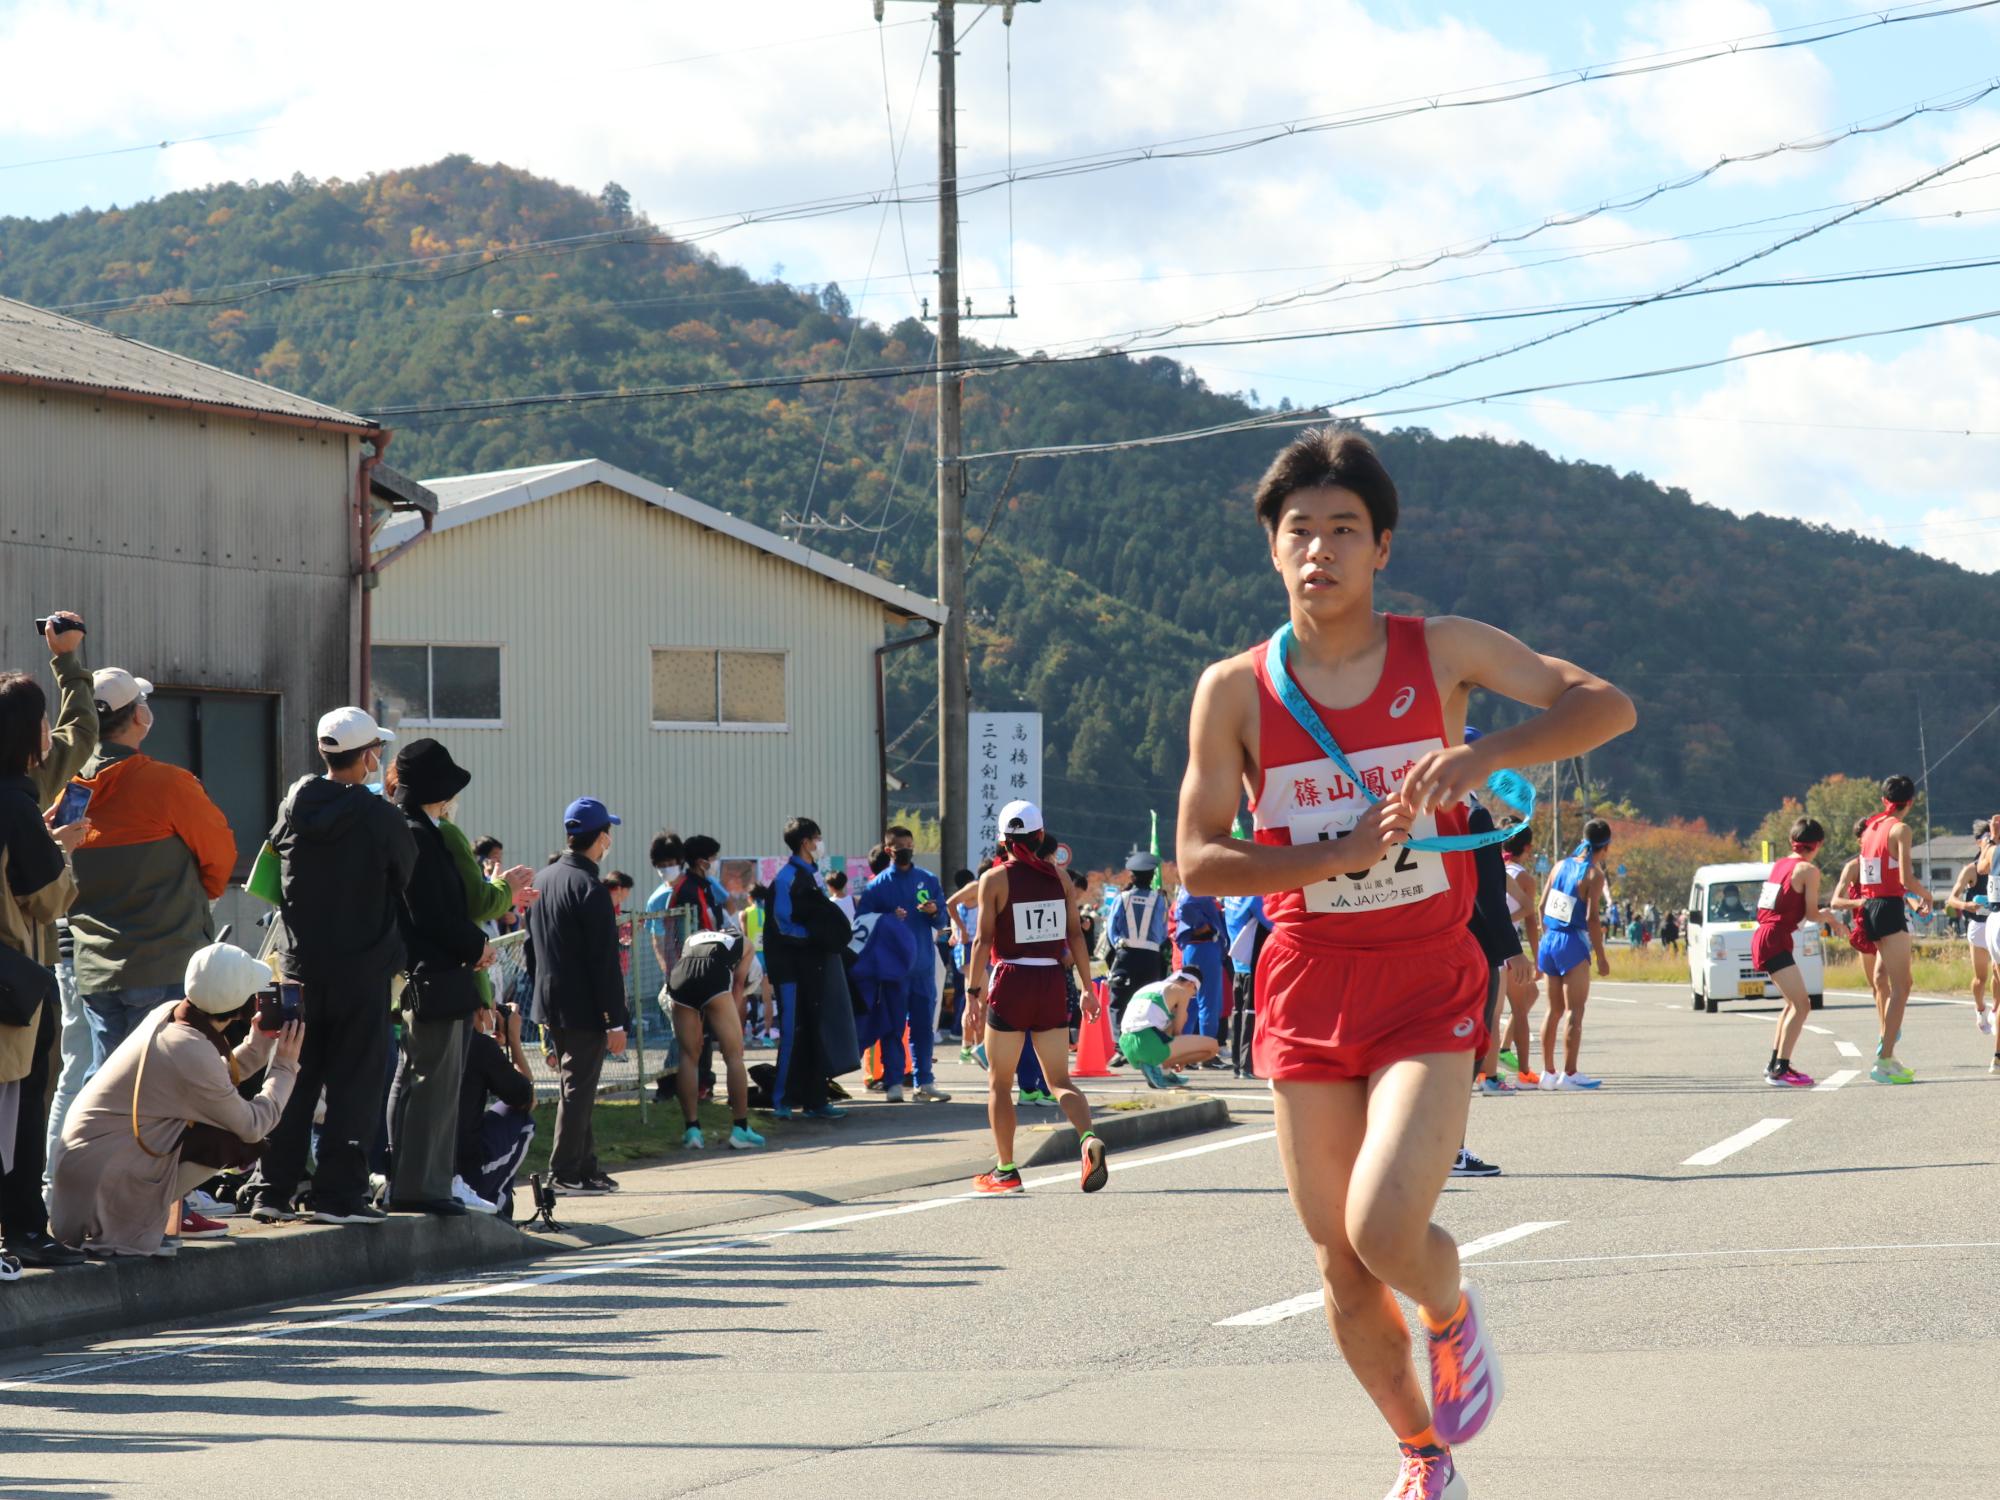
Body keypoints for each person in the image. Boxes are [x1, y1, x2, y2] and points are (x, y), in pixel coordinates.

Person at [1175, 428, 1634, 1498]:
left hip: (1428, 975)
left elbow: (1601, 703)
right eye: (1299, 532)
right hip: (1304, 983)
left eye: (1344, 530)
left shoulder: (1440, 652)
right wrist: (1336, 852)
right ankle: (1423, 1456)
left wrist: (1481, 754)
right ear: (1271, 550)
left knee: (1383, 1226)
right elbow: (1197, 861)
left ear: (1381, 548)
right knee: (1337, 1263)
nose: (1319, 551)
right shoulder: (1232, 693)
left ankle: (1447, 1308)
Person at [244, 707, 414, 1227]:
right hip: (361, 970)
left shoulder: (292, 806)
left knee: (292, 1074)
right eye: (376, 751)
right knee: (355, 1082)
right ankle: (339, 1196)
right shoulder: (381, 816)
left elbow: (271, 869)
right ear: (366, 757)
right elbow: (405, 873)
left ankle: (272, 1187)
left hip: (298, 966)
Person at [49, 943, 303, 1258]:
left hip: (83, 1176)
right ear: (241, 1005)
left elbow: (210, 1082)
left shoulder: (170, 1015)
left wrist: (257, 1047)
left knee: (219, 1120)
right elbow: (252, 1125)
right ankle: (134, 1221)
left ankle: (147, 1215)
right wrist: (285, 1066)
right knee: (233, 1137)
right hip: (101, 1186)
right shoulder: (188, 1047)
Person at [66, 668, 237, 1075]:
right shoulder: (169, 784)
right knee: (160, 1086)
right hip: (164, 959)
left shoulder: (74, 790)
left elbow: (63, 856)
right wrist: (201, 893)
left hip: (96, 965)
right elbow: (220, 854)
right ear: (139, 717)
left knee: (105, 1081)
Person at [962, 801, 1108, 1196]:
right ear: (1041, 837)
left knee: (999, 1083)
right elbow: (1076, 936)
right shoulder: (1060, 879)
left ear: (1004, 841)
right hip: (1049, 980)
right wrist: (1087, 991)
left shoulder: (994, 879)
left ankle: (1006, 1171)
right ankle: (1087, 1138)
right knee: (1059, 1079)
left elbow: (983, 940)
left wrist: (972, 994)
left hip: (1010, 979)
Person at [1, 655, 94, 1273]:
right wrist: (65, 849)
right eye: (41, 723)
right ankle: (24, 1233)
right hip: (13, 984)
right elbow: (48, 898)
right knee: (19, 1108)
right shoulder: (14, 801)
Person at [385, 739, 491, 1217]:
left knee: (419, 1080)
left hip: (426, 972)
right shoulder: (420, 833)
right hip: (436, 973)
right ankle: (423, 1186)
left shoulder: (412, 827)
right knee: (434, 1084)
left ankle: (415, 1180)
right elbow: (431, 913)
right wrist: (476, 944)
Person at [525, 797, 629, 1195]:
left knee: (579, 1085)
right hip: (585, 1004)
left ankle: (586, 1167)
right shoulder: (591, 888)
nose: (609, 841)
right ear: (601, 837)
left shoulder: (544, 879)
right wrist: (615, 1019)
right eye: (608, 834)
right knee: (578, 1087)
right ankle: (566, 1171)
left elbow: (533, 948)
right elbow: (604, 962)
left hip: (551, 999)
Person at [857, 824, 950, 1103]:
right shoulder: (876, 887)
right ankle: (894, 1081)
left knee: (923, 1027)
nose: (907, 852)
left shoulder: (928, 879)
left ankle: (925, 1082)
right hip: (893, 971)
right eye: (900, 849)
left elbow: (943, 920)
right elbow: (862, 926)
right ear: (889, 851)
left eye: (910, 847)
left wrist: (935, 912)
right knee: (892, 1027)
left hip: (923, 966)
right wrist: (887, 917)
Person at [1753, 818, 1842, 1088]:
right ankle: (1781, 1069)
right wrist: (1831, 918)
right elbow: (1812, 913)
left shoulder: (1780, 865)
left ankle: (1776, 1064)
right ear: (1818, 844)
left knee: (1793, 1004)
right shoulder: (1808, 870)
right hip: (1775, 937)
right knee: (1802, 1005)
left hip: (1765, 934)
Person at [1853, 775, 1931, 1083]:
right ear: (1911, 801)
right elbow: (1905, 879)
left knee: (1883, 978)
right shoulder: (1900, 829)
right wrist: (1925, 895)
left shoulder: (1872, 827)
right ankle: (1884, 1058)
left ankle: (1888, 1049)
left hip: (1870, 907)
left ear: (1885, 798)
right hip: (1888, 906)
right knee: (1904, 985)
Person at [767, 816, 845, 1119]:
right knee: (791, 1033)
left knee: (814, 1031)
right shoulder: (787, 878)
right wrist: (816, 938)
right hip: (790, 970)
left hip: (811, 968)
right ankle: (781, 1100)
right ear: (806, 842)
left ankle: (814, 1099)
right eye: (817, 837)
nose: (820, 843)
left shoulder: (809, 875)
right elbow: (783, 927)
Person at [665, 925, 764, 1150]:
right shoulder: (745, 944)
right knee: (734, 1054)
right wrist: (734, 1024)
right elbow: (738, 985)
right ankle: (741, 1129)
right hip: (713, 975)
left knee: (689, 1056)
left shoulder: (694, 936)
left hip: (681, 975)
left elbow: (691, 969)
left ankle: (692, 1130)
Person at [1535, 819, 1613, 1092]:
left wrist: (1547, 936)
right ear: (1606, 846)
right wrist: (1601, 957)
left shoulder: (1558, 866)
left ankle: (1547, 1073)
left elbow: (1542, 905)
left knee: (1552, 1010)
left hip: (1550, 940)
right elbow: (1592, 919)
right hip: (1572, 942)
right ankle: (1569, 1073)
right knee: (1574, 1011)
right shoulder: (1594, 874)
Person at [456, 1001, 536, 1216]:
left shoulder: (417, 1039)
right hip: (465, 1172)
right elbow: (526, 1100)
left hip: (417, 1170)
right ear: (480, 1011)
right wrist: (514, 1041)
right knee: (522, 1120)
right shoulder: (479, 1045)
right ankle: (496, 1207)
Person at [1104, 852, 1169, 1064]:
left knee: (1118, 999)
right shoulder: (1159, 899)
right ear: (1151, 877)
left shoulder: (1122, 899)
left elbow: (1112, 929)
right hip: (1150, 956)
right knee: (1147, 1002)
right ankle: (1146, 1048)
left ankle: (1119, 1049)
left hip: (1126, 955)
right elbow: (1162, 932)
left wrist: (1120, 946)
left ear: (1131, 876)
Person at [1118, 966, 1220, 1087]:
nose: (1191, 996)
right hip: (1147, 1042)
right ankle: (1160, 1066)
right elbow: (1177, 1031)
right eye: (1193, 992)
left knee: (1171, 1017)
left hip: (1126, 1045)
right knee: (1212, 1047)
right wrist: (1181, 1057)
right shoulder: (1180, 991)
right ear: (1190, 983)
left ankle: (1162, 1071)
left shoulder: (1150, 987)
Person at [1496, 822, 1541, 1087]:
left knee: (1490, 1010)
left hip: (1485, 944)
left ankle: (1488, 1065)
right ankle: (1523, 1070)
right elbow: (1531, 920)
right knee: (1519, 1008)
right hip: (1509, 946)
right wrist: (1537, 957)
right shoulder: (1524, 877)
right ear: (1527, 847)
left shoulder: (1491, 866)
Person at [1172, 889, 1228, 1066]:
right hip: (1204, 947)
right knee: (1208, 1002)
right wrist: (1202, 925)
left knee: (1192, 1002)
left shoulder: (1191, 888)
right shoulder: (1195, 889)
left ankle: (1185, 1052)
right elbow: (1186, 908)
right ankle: (1206, 1053)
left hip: (1195, 948)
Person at [1946, 821, 1992, 1033]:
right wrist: (1967, 905)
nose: (1993, 843)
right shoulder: (1970, 870)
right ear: (1978, 842)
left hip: (1997, 923)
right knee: (1981, 978)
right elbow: (1951, 899)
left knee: (1998, 973)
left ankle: (1996, 1013)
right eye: (1988, 839)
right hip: (1979, 926)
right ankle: (1980, 1007)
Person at [1222, 892, 1270, 1077]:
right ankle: (1247, 1065)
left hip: (1237, 961)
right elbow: (1270, 921)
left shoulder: (1230, 896)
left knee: (1238, 1012)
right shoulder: (1253, 896)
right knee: (1251, 1013)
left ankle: (1237, 1063)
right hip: (1252, 960)